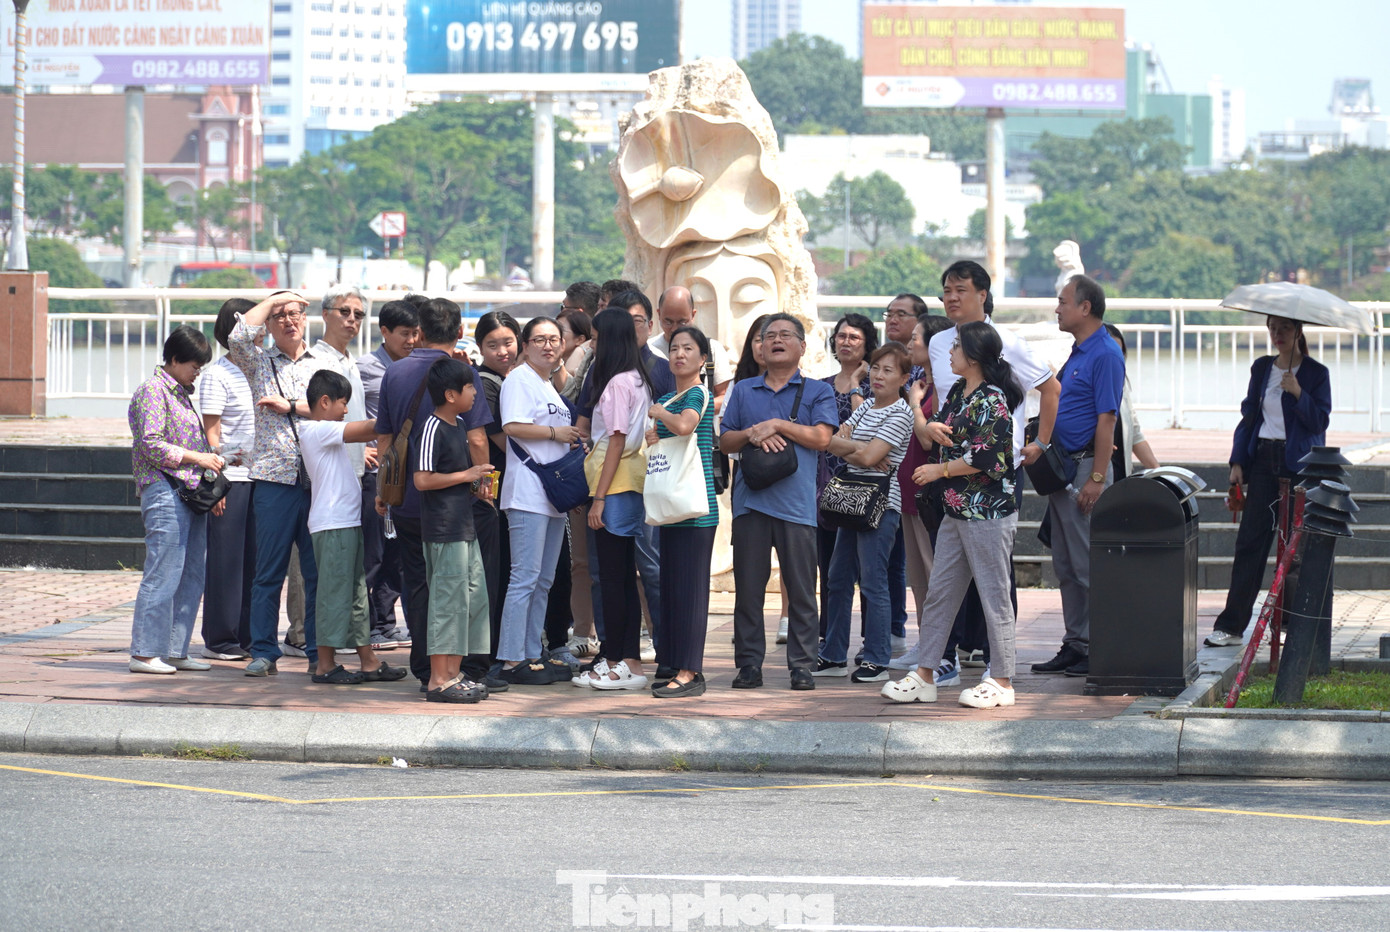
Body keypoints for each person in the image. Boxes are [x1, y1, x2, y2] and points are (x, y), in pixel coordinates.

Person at [882, 321, 1024, 708]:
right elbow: (943, 431)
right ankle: (925, 674)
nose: (950, 351)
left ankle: (1002, 680)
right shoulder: (961, 391)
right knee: (941, 593)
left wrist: (939, 470)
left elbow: (985, 458)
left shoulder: (992, 399)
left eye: (957, 345)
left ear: (974, 355)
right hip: (955, 509)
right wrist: (933, 427)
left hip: (988, 512)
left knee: (994, 596)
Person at [931, 261, 1060, 682]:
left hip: (993, 476)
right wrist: (929, 424)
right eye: (946, 290)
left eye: (961, 290)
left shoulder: (1006, 344)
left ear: (983, 295)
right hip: (950, 476)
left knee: (994, 573)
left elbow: (1050, 388)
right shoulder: (939, 343)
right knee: (948, 575)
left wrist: (1040, 442)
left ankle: (997, 665)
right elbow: (944, 403)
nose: (952, 298)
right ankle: (942, 660)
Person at [374, 296, 498, 691]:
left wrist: (384, 488)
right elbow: (477, 438)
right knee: (458, 586)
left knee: (418, 583)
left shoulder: (395, 372)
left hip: (406, 500)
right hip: (451, 503)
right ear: (460, 330)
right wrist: (483, 486)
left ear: (419, 332)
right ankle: (458, 671)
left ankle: (426, 666)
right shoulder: (461, 373)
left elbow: (385, 437)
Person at [720, 313, 838, 691]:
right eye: (769, 335)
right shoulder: (743, 390)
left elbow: (822, 439)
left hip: (798, 506)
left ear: (802, 347)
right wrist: (753, 434)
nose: (776, 340)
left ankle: (801, 666)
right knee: (748, 593)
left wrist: (779, 425)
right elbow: (725, 440)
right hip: (750, 504)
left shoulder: (818, 391)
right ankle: (748, 665)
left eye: (786, 335)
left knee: (802, 592)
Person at [228, 290, 336, 677]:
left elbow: (335, 410)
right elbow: (238, 336)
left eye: (295, 313)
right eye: (280, 316)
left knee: (316, 573)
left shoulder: (324, 363)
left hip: (318, 478)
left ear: (307, 319)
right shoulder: (259, 362)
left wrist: (290, 406)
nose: (289, 320)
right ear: (270, 325)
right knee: (268, 572)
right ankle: (263, 650)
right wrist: (277, 298)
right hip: (274, 478)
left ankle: (318, 653)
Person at [1205, 315, 1330, 647]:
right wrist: (1237, 461)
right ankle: (1231, 626)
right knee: (1250, 543)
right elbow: (1249, 417)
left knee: (1294, 548)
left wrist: (1299, 392)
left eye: (1285, 328)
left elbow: (1319, 422)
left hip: (1299, 466)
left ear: (1299, 331)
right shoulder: (1262, 368)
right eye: (1273, 328)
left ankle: (1289, 625)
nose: (1277, 334)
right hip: (1262, 460)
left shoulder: (1316, 374)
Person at [1031, 275, 1125, 678]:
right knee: (1067, 564)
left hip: (1085, 467)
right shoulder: (1079, 351)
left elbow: (1108, 419)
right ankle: (1077, 643)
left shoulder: (1105, 353)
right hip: (1063, 468)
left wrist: (1098, 477)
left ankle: (1103, 646)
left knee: (1088, 564)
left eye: (1063, 302)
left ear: (1085, 308)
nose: (1057, 308)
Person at [297, 370, 409, 685]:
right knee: (334, 595)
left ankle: (368, 661)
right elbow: (370, 428)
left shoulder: (325, 431)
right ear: (324, 401)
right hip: (333, 524)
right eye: (343, 403)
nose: (346, 410)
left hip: (346, 522)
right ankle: (325, 665)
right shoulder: (315, 429)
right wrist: (398, 406)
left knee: (357, 595)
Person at [127, 326, 223, 675]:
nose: (198, 372)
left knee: (191, 574)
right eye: (195, 365)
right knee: (163, 572)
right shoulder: (152, 391)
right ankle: (144, 653)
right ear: (174, 359)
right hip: (163, 490)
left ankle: (174, 650)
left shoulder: (179, 394)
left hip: (187, 492)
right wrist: (199, 458)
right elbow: (150, 443)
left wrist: (215, 457)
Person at [818, 342, 915, 683]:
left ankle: (877, 658)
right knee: (837, 578)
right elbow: (834, 440)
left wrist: (857, 449)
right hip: (851, 498)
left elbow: (866, 456)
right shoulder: (868, 407)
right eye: (875, 368)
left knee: (873, 582)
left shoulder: (901, 413)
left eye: (888, 370)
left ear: (904, 378)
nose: (878, 375)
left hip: (881, 503)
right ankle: (833, 654)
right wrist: (861, 448)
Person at [496, 316, 582, 685]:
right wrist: (553, 432)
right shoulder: (520, 379)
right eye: (539, 340)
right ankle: (511, 659)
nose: (548, 346)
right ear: (525, 345)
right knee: (525, 578)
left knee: (544, 579)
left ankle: (532, 653)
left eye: (554, 339)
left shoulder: (548, 384)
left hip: (552, 495)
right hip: (528, 493)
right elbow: (512, 426)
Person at [575, 308, 655, 690]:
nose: (592, 344)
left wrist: (600, 498)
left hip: (615, 484)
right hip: (629, 481)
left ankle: (619, 662)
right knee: (621, 576)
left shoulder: (617, 383)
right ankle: (626, 661)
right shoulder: (637, 378)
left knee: (612, 577)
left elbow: (616, 441)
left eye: (595, 338)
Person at [415, 357, 498, 702]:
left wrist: (477, 487)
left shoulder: (460, 424)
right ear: (450, 395)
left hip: (463, 525)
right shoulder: (432, 426)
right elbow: (422, 480)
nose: (475, 393)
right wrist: (467, 475)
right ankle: (439, 679)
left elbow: (450, 478)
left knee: (471, 599)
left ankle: (454, 673)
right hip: (444, 529)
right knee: (448, 602)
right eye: (469, 387)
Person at [645, 325, 720, 698]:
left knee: (691, 591)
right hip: (672, 505)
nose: (679, 354)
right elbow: (657, 438)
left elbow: (686, 426)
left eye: (688, 348)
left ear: (702, 358)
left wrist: (660, 415)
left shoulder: (697, 393)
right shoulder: (667, 396)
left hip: (697, 509)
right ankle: (675, 664)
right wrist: (657, 428)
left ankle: (691, 672)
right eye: (674, 348)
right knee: (673, 589)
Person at [889, 313, 954, 671]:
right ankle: (926, 642)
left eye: (917, 337)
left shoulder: (943, 387)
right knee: (917, 575)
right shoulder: (922, 383)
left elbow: (929, 438)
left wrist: (914, 403)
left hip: (932, 492)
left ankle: (943, 651)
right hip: (909, 490)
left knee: (934, 573)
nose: (911, 343)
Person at [356, 299, 419, 650]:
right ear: (384, 332)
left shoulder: (416, 366)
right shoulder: (364, 368)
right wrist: (359, 449)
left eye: (415, 333)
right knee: (374, 553)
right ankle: (363, 627)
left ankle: (384, 622)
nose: (411, 340)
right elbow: (347, 412)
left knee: (397, 556)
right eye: (404, 334)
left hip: (406, 474)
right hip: (376, 473)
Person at [198, 298, 256, 661]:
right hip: (231, 477)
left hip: (261, 477)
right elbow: (210, 434)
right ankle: (220, 639)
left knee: (254, 562)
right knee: (226, 560)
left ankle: (248, 636)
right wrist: (215, 481)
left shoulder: (262, 368)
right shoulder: (217, 375)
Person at [816, 312, 877, 645]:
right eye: (841, 336)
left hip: (864, 486)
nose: (846, 342)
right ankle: (828, 636)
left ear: (867, 344)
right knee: (829, 570)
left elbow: (864, 430)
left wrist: (855, 385)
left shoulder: (876, 389)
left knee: (868, 572)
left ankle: (871, 639)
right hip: (824, 488)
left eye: (854, 337)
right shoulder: (820, 387)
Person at [473, 311, 521, 665]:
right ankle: (493, 650)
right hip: (496, 490)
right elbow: (500, 440)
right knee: (500, 569)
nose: (502, 351)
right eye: (493, 345)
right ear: (480, 348)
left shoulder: (516, 379)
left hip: (512, 487)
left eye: (508, 342)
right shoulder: (485, 384)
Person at [648, 285, 734, 406]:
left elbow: (726, 397)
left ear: (693, 315)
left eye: (682, 322)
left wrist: (692, 408)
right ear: (659, 314)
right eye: (668, 322)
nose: (674, 329)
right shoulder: (649, 350)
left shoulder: (712, 349)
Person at [1103, 323, 1160, 479]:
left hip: (1120, 478)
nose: (1116, 359)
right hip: (1095, 479)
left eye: (1120, 354)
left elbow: (1135, 435)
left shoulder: (1120, 386)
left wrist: (1160, 474)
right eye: (1111, 353)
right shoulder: (1083, 387)